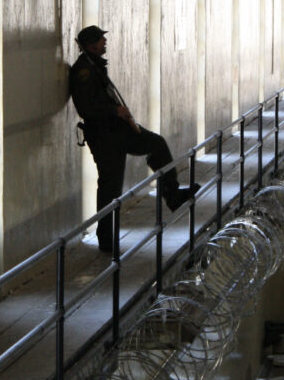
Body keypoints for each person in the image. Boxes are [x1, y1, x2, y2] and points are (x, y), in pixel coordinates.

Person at [70, 25, 200, 252]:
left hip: (116, 133)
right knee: (110, 188)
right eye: (101, 39)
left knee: (155, 145)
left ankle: (172, 194)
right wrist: (114, 112)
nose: (105, 42)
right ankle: (106, 238)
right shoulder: (84, 71)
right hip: (105, 137)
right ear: (91, 44)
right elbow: (86, 107)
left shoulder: (95, 67)